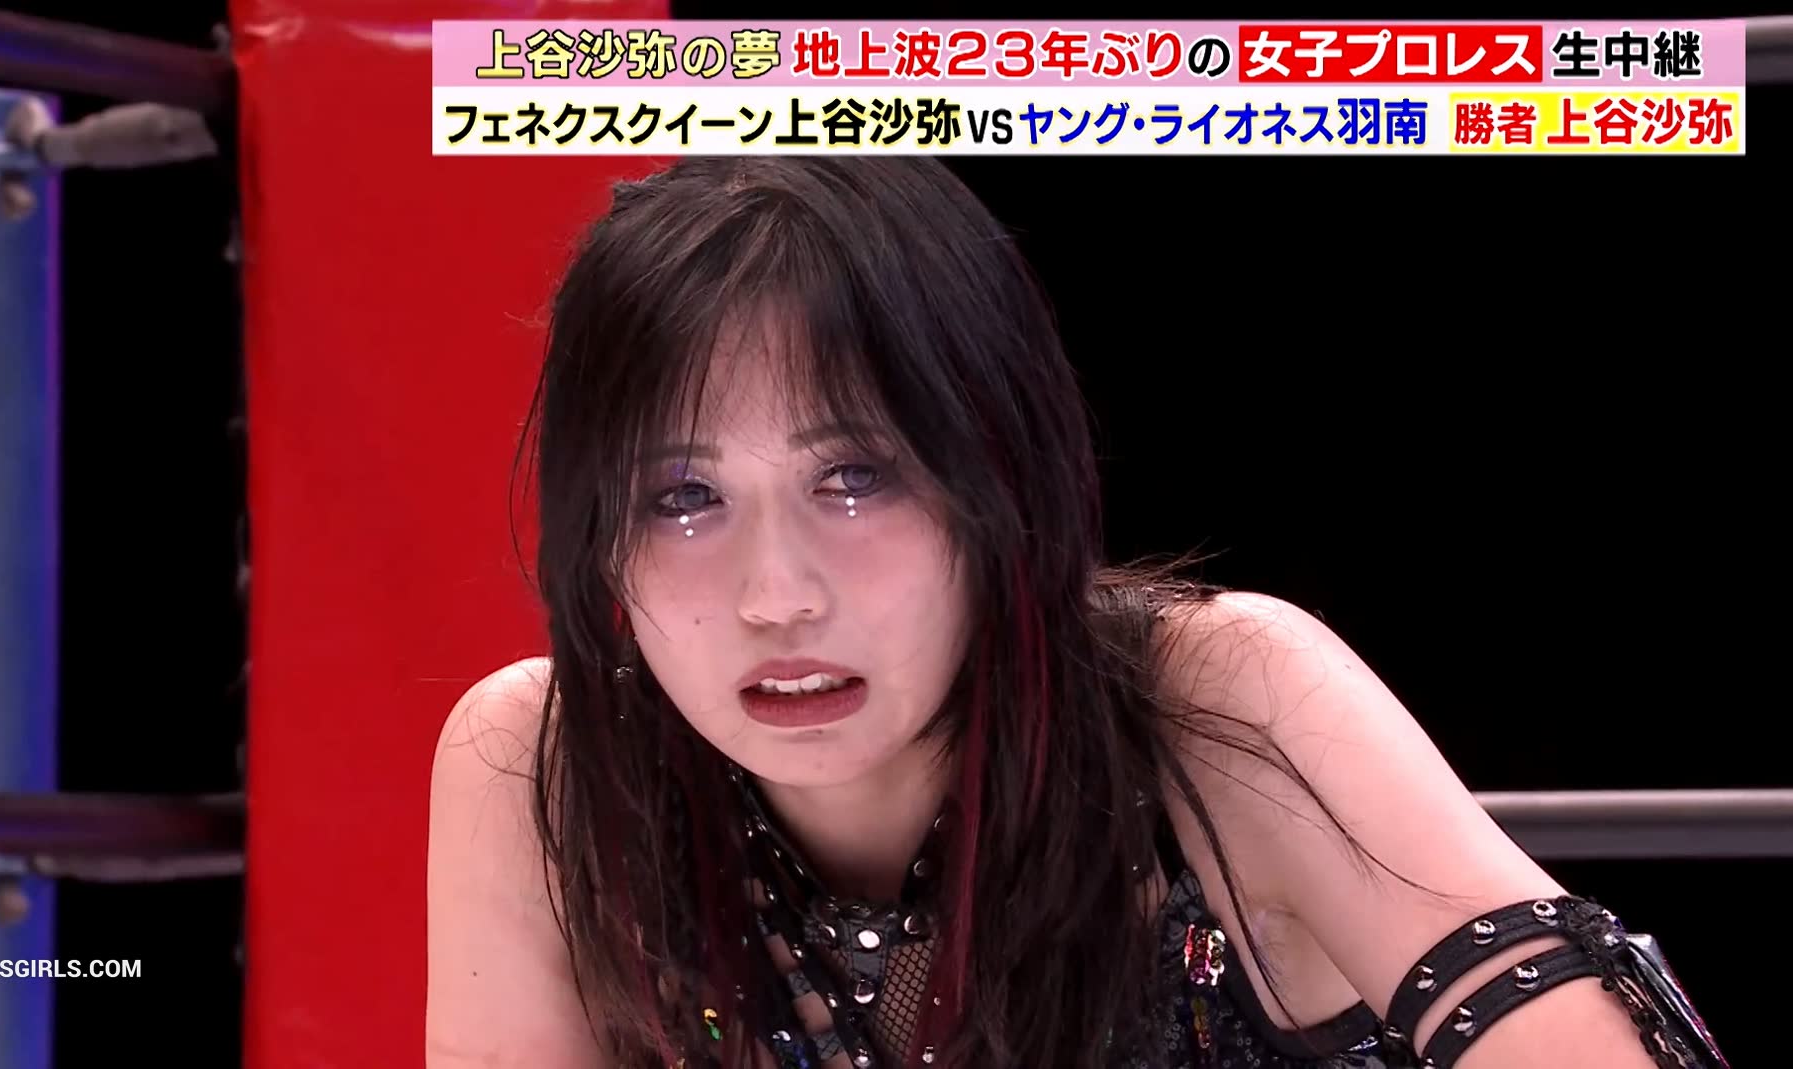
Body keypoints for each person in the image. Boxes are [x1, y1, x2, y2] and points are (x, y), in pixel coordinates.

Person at [424, 158, 1725, 1069]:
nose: (778, 595)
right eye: (684, 497)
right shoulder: (539, 759)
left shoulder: (1220, 693)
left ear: (999, 476)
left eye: (855, 477)